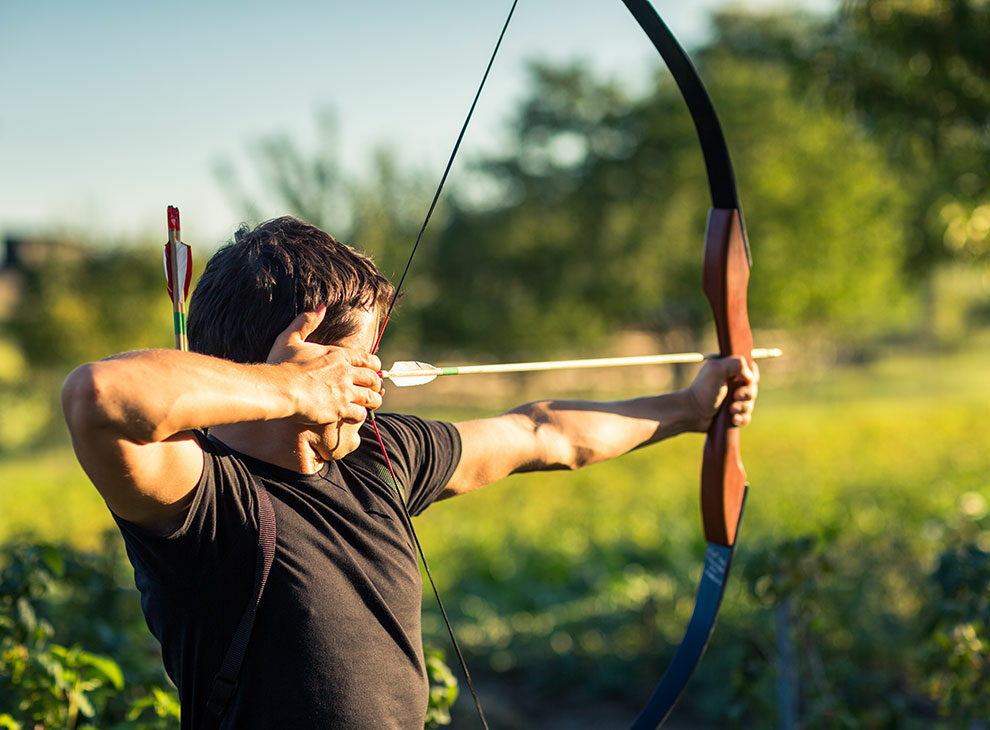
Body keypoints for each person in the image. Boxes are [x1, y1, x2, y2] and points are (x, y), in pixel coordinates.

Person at [61, 216, 758, 729]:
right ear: (304, 360)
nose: (376, 384)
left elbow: (544, 433)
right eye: (360, 361)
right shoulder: (204, 498)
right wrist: (294, 391)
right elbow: (97, 397)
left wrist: (690, 408)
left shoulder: (380, 458)